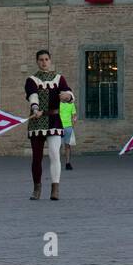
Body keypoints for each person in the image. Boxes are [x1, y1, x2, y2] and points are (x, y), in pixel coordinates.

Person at [24, 49, 74, 201]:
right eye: (41, 60)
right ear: (37, 61)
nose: (44, 62)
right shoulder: (31, 79)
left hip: (54, 120)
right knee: (37, 157)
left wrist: (68, 96)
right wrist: (35, 108)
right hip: (37, 121)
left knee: (54, 154)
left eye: (46, 59)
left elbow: (69, 94)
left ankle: (55, 188)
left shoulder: (59, 78)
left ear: (50, 61)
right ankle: (37, 188)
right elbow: (32, 95)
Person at [58, 89, 78, 171]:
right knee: (58, 146)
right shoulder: (58, 103)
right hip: (59, 127)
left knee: (67, 146)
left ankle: (68, 163)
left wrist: (73, 125)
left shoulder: (71, 104)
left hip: (68, 127)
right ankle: (57, 163)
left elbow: (74, 115)